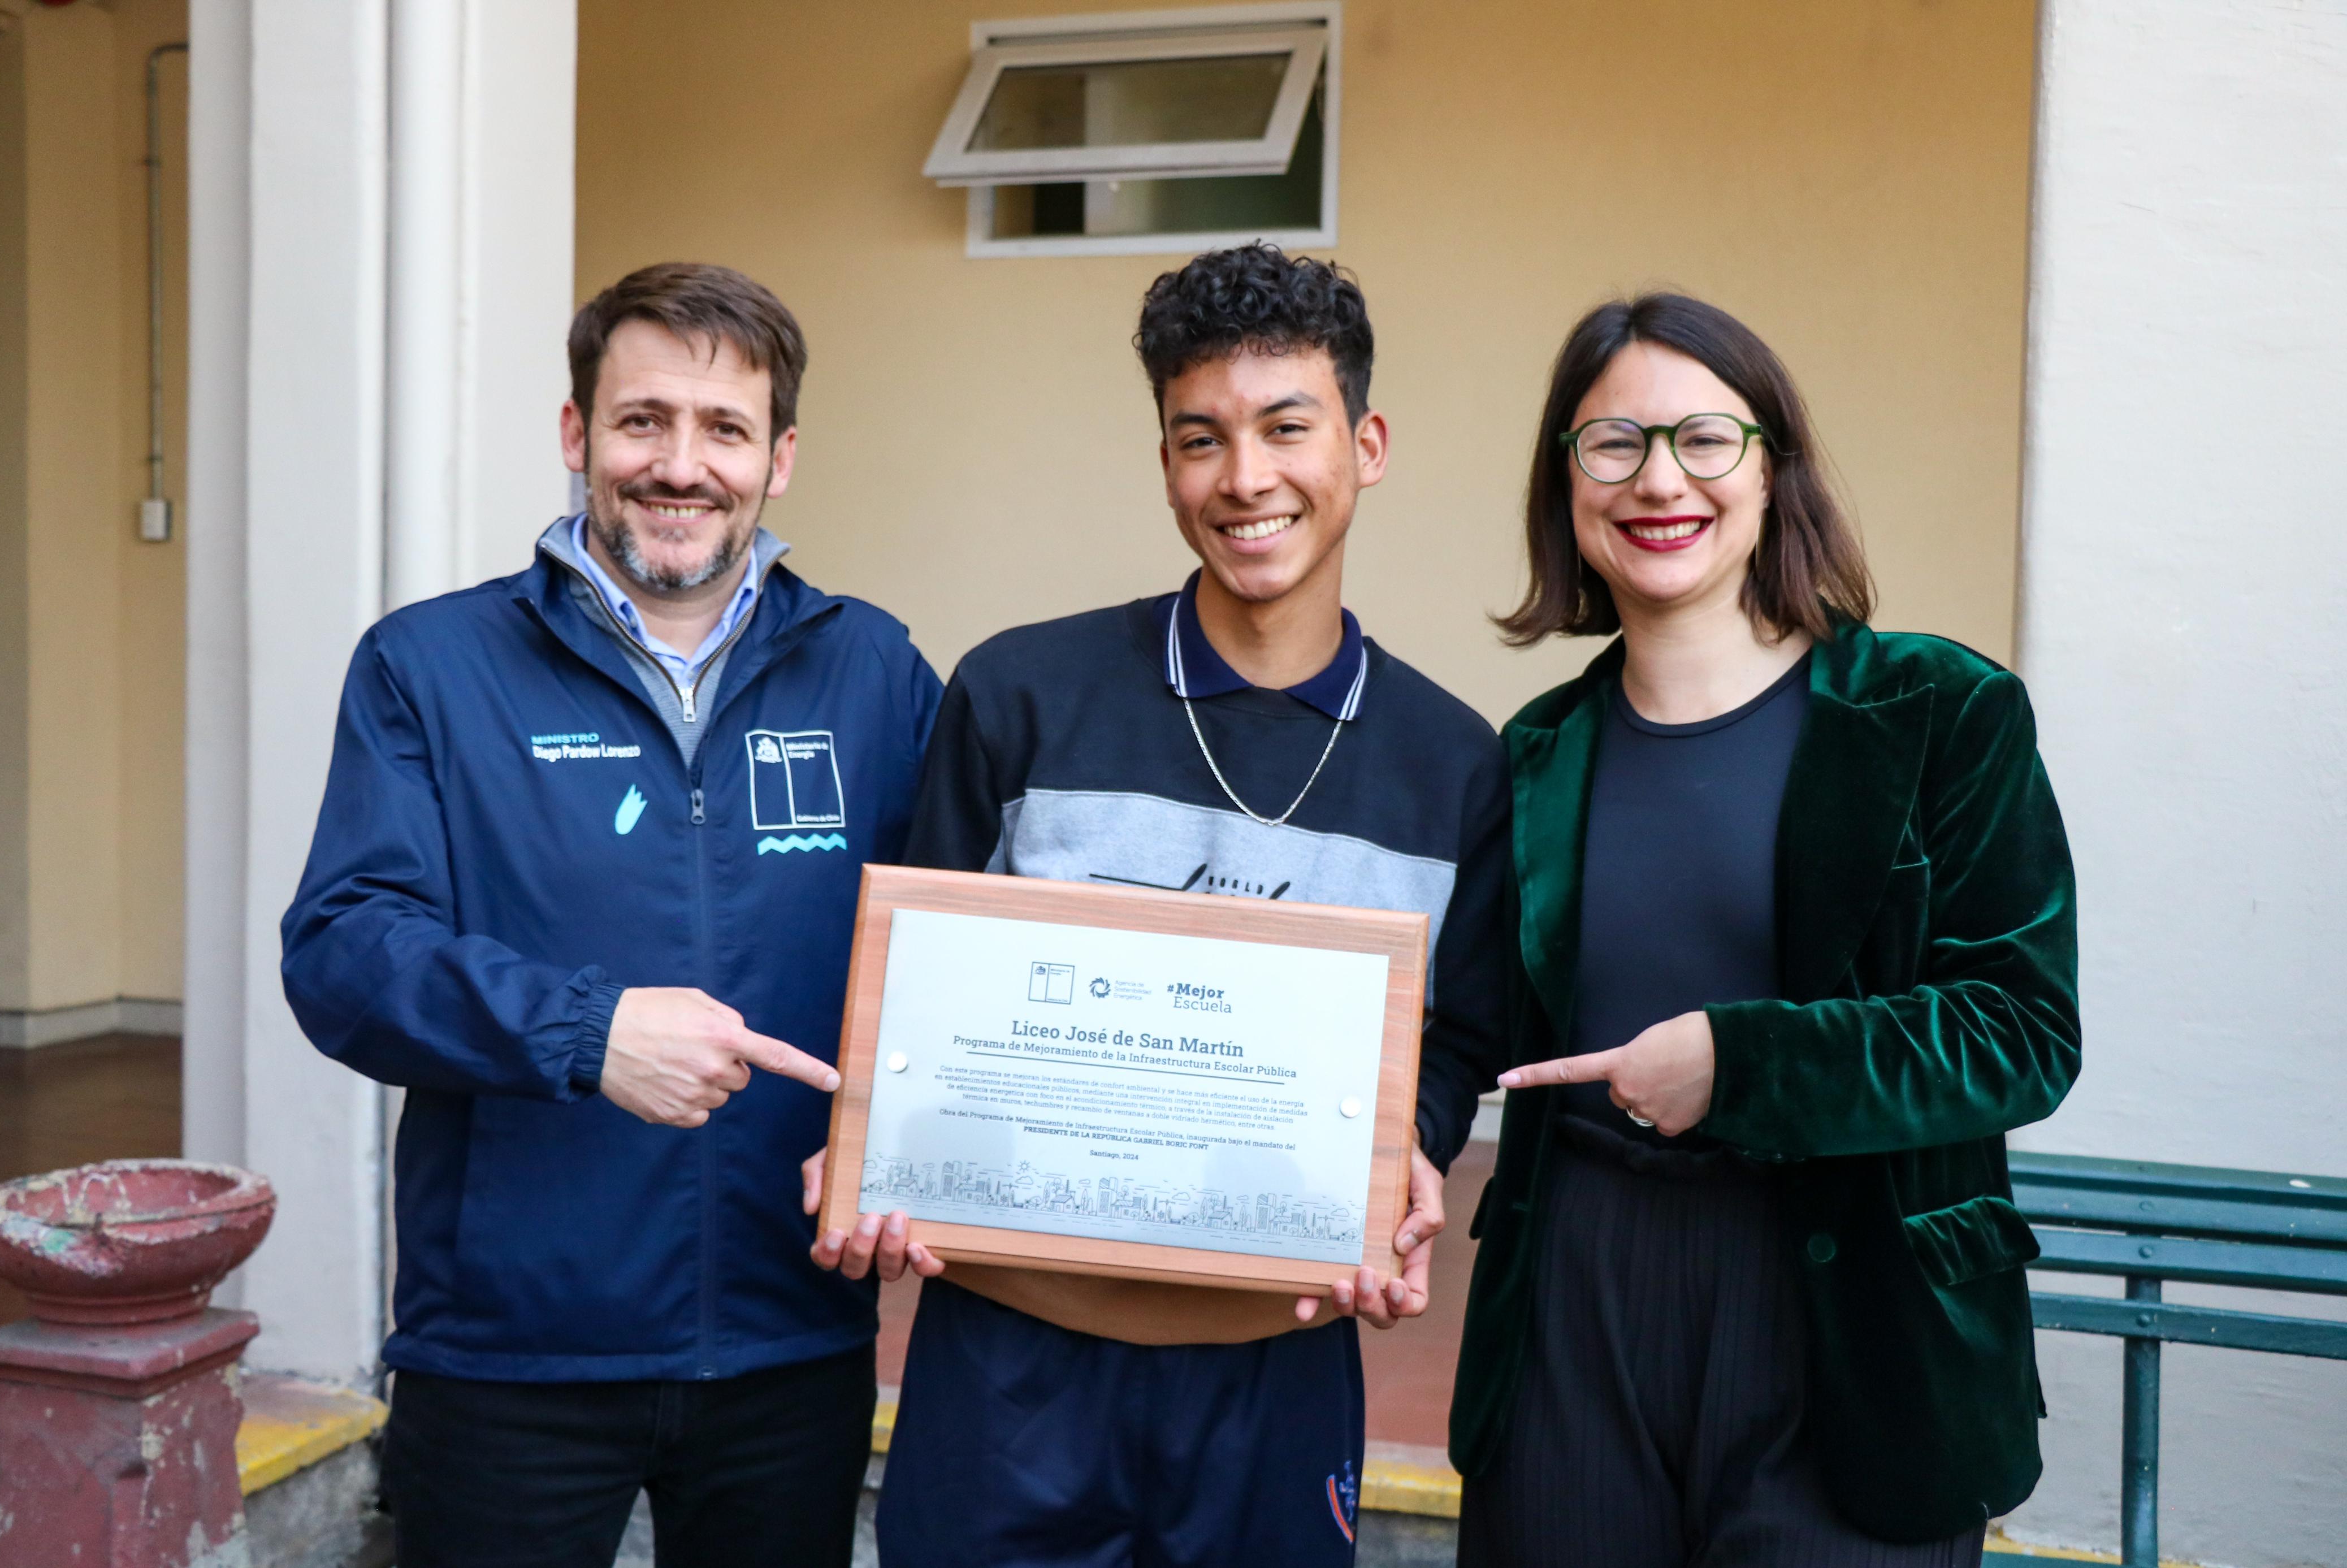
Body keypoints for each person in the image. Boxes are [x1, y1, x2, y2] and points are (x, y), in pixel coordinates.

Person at [798, 244, 1510, 1563]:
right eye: (1201, 437)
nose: (1245, 479)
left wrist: (1406, 1145)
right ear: (1166, 458)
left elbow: (1455, 1035)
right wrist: (874, 1136)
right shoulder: (1018, 695)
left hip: (1275, 1376)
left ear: (1365, 442)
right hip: (1007, 1367)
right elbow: (913, 997)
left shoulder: (1454, 763)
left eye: (1286, 428)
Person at [280, 262, 942, 1568]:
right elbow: (345, 949)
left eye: (724, 429)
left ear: (781, 457)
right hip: (510, 1350)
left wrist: (922, 1158)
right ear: (577, 433)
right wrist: (588, 1031)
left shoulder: (873, 670)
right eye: (643, 421)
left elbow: (950, 957)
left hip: (789, 1335)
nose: (680, 465)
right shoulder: (430, 666)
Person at [1446, 293, 2081, 1566]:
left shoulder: (1939, 711)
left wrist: (1740, 1066)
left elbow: (2021, 1031)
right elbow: (1460, 1032)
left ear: (1772, 466)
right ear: (1565, 482)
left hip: (1857, 1310)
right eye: (1612, 442)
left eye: (1703, 438)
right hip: (1578, 1287)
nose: (1657, 478)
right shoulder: (1534, 756)